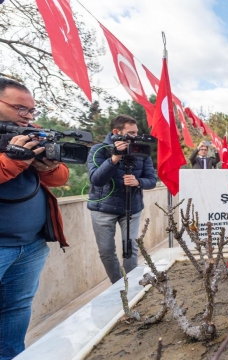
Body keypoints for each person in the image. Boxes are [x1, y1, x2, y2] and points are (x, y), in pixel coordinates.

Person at [0, 78, 70, 358]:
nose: (28, 117)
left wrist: (48, 166)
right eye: (20, 109)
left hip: (31, 244)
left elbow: (61, 177)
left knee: (17, 308)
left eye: (32, 111)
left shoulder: (33, 133)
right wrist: (15, 159)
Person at [87, 115, 157, 284]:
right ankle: (118, 285)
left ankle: (132, 285)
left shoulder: (142, 152)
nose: (136, 137)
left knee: (130, 246)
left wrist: (138, 182)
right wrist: (115, 158)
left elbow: (152, 180)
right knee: (106, 250)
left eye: (137, 133)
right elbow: (96, 179)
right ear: (116, 133)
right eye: (131, 133)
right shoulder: (99, 150)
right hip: (103, 208)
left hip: (132, 207)